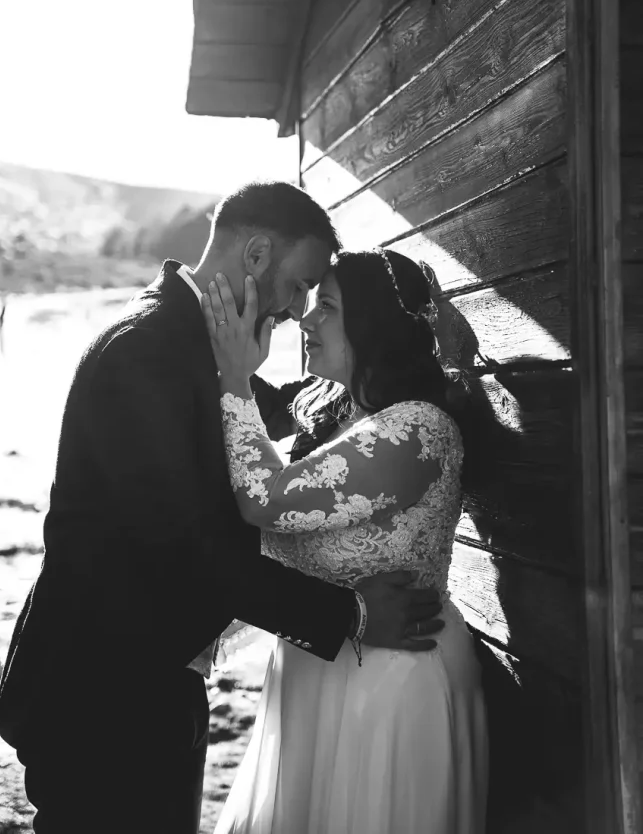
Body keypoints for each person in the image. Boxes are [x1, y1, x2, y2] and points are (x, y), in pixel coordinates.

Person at [0, 182, 446, 834]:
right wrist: (350, 613)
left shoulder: (195, 342)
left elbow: (259, 406)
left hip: (146, 682)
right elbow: (188, 549)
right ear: (257, 253)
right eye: (297, 285)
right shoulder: (145, 353)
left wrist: (367, 382)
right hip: (99, 692)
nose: (295, 311)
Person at [202, 248, 488, 834]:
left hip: (389, 686)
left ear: (373, 325)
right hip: (318, 665)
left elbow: (264, 500)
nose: (306, 320)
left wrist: (233, 376)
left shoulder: (416, 430)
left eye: (325, 306)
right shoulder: (338, 411)